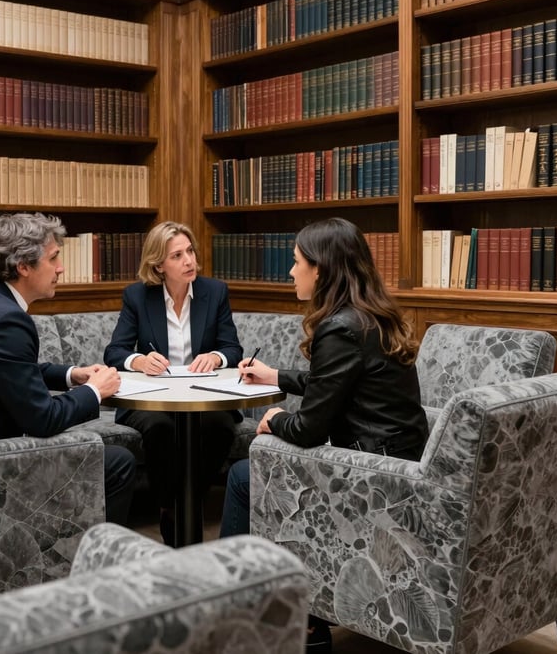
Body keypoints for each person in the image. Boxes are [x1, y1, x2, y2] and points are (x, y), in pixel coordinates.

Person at [219, 217, 428, 653]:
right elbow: (338, 383)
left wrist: (273, 418)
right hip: (402, 465)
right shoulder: (372, 316)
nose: (290, 272)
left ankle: (233, 608)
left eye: (296, 263)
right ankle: (304, 610)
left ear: (323, 269)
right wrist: (275, 375)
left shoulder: (339, 328)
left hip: (371, 479)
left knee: (245, 475)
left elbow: (309, 429)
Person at [0, 212, 136, 525]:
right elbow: (42, 420)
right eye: (53, 258)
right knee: (118, 463)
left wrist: (73, 375)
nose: (61, 268)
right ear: (23, 266)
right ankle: (86, 567)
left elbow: (13, 369)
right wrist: (94, 392)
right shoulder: (7, 320)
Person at [103, 220, 243, 545]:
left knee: (221, 425)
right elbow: (115, 351)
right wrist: (137, 361)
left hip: (202, 395)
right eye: (177, 255)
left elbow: (232, 348)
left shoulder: (214, 292)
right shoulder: (138, 297)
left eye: (190, 251)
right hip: (154, 400)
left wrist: (217, 358)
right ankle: (170, 507)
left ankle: (185, 504)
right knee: (160, 428)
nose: (189, 261)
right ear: (158, 265)